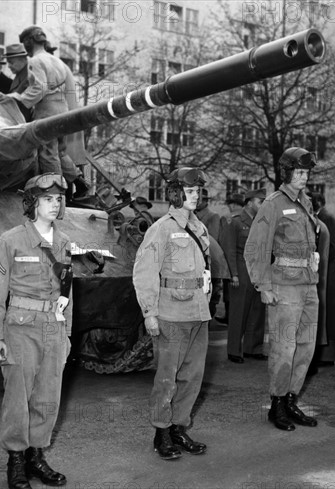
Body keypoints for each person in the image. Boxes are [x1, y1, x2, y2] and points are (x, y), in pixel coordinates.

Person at [0, 173, 72, 488]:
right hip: (20, 328)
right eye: (48, 199)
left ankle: (36, 457)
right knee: (18, 398)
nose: (55, 204)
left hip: (54, 328)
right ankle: (16, 461)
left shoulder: (62, 242)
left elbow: (66, 291)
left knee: (48, 396)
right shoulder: (10, 240)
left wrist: (68, 335)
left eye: (58, 199)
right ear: (33, 202)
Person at [133, 167, 211, 460]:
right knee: (167, 377)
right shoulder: (161, 228)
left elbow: (205, 271)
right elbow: (144, 272)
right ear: (177, 194)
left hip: (197, 312)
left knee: (192, 376)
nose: (195, 196)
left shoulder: (200, 227)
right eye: (190, 191)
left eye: (198, 191)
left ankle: (179, 427)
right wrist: (149, 313)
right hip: (170, 313)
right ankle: (161, 432)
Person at [244, 147, 319, 432]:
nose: (304, 177)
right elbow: (255, 248)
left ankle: (291, 399)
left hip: (308, 283)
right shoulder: (273, 204)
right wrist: (263, 285)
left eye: (307, 172)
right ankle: (277, 403)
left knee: (305, 346)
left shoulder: (305, 202)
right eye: (299, 172)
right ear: (286, 173)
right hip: (285, 284)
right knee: (284, 347)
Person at [7, 27, 70, 176]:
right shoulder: (57, 60)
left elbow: (39, 89)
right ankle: (75, 187)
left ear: (29, 42)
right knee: (59, 153)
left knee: (48, 154)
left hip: (47, 113)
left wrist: (18, 99)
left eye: (24, 43)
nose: (25, 47)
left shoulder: (35, 61)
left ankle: (54, 192)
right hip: (63, 111)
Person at [223, 188, 267, 363]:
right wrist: (233, 274)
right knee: (238, 312)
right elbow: (229, 249)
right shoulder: (234, 221)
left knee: (258, 310)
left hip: (258, 271)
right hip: (241, 270)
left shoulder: (262, 222)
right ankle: (234, 350)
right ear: (249, 203)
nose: (262, 205)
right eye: (259, 202)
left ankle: (253, 348)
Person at [310, 192, 335, 367]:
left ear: (318, 202)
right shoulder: (318, 218)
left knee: (330, 315)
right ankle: (322, 354)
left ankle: (327, 356)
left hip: (328, 271)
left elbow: (333, 247)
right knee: (324, 315)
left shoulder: (327, 219)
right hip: (322, 270)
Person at [216, 192, 246, 324]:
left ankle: (230, 317)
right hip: (244, 262)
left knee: (230, 292)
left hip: (231, 260)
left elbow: (227, 244)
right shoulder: (249, 218)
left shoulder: (229, 218)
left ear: (233, 205)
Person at [195, 188, 223, 317]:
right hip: (195, 262)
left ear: (205, 201)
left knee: (210, 295)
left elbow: (212, 240)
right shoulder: (192, 215)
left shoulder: (213, 217)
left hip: (209, 261)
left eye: (199, 199)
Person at [5, 43, 33, 121]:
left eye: (11, 62)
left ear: (23, 60)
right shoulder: (20, 74)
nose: (9, 66)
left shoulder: (29, 76)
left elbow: (16, 98)